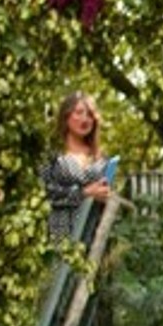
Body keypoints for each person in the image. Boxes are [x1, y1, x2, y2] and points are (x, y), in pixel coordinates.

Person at [39, 91, 115, 244]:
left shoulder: (100, 159)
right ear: (66, 116)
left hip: (90, 236)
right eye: (79, 113)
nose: (85, 119)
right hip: (59, 234)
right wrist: (84, 193)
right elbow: (45, 194)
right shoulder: (52, 156)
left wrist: (105, 196)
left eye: (90, 115)